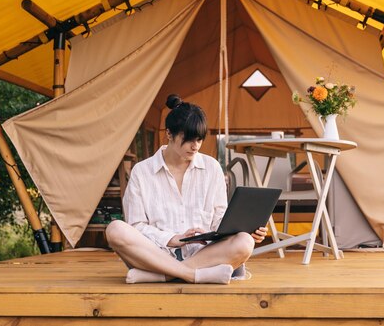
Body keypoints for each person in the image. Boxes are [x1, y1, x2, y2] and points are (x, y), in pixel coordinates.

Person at [106, 94, 267, 284]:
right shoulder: (142, 171)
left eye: (199, 139)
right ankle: (192, 275)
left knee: (245, 242)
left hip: (204, 254)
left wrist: (246, 229)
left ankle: (164, 275)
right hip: (156, 253)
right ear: (169, 134)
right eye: (189, 139)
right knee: (115, 229)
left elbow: (219, 219)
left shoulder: (212, 168)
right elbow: (136, 226)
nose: (195, 146)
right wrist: (172, 238)